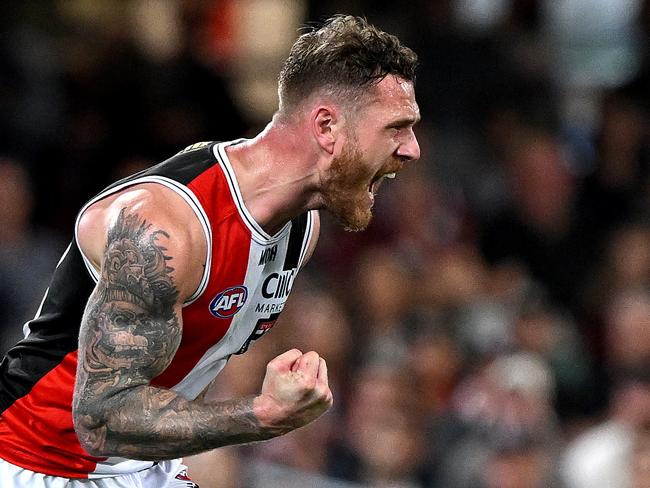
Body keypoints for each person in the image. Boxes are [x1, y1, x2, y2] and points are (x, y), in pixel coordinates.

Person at [0, 14, 421, 487]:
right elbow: (99, 418)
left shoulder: (303, 230)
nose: (413, 150)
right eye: (397, 128)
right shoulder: (166, 227)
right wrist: (261, 415)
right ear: (326, 127)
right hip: (34, 461)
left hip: (141, 468)